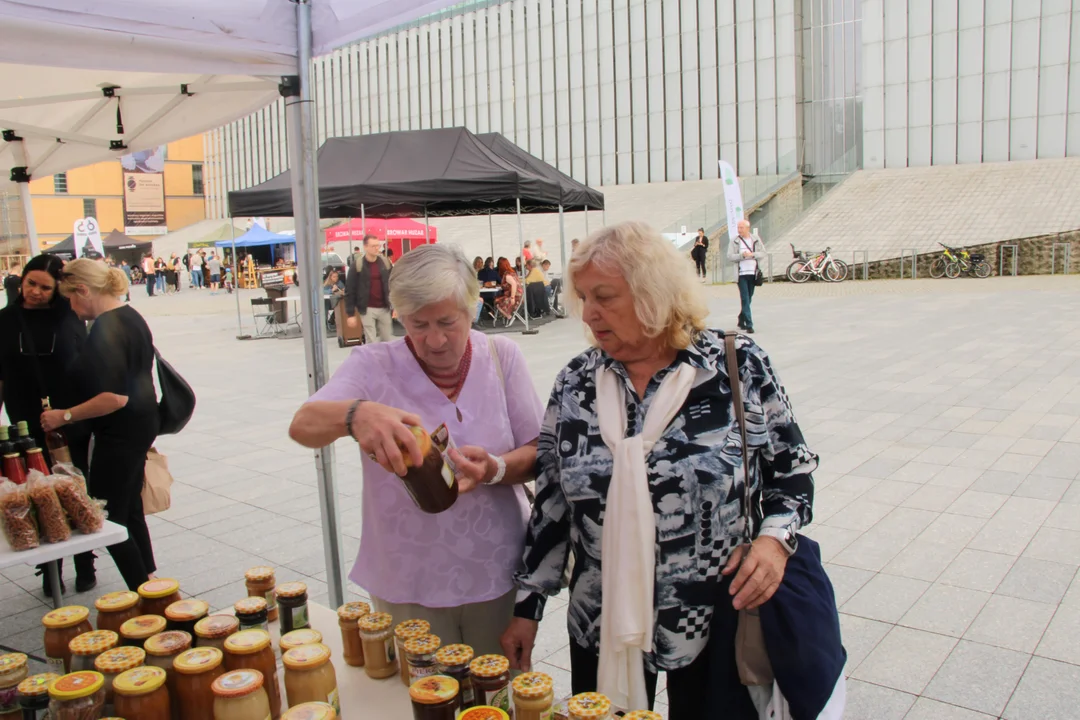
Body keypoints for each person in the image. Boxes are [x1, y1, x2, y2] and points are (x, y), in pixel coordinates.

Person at [500, 221, 818, 718]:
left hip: (714, 615)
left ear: (654, 294)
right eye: (582, 297)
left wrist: (774, 543)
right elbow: (553, 503)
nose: (588, 313)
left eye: (604, 297)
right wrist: (527, 609)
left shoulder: (736, 365)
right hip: (601, 617)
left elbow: (792, 471)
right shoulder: (577, 382)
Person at [289, 243, 543, 653]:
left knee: (495, 699)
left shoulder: (502, 356)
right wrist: (356, 415)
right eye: (417, 324)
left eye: (447, 321)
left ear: (472, 307)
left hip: (496, 571)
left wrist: (495, 468)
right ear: (398, 315)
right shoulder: (372, 365)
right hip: (406, 576)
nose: (435, 339)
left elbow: (538, 452)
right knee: (420, 699)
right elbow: (303, 426)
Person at [43, 259, 161, 591]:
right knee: (129, 508)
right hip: (140, 423)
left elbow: (114, 398)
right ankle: (150, 581)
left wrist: (64, 415)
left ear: (83, 290)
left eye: (71, 298)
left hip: (122, 431)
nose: (71, 307)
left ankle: (146, 591)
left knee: (107, 518)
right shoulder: (130, 315)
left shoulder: (108, 327)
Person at [0, 255, 95, 597]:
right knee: (35, 493)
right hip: (25, 423)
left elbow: (85, 368)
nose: (36, 292)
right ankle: (49, 566)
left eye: (44, 287)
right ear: (20, 281)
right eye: (30, 284)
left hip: (67, 420)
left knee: (74, 490)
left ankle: (86, 562)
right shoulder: (6, 320)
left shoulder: (69, 316)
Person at [344, 234, 394, 343]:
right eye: (373, 246)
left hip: (384, 306)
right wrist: (350, 314)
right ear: (365, 247)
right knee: (370, 339)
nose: (377, 248)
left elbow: (393, 283)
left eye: (378, 245)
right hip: (367, 308)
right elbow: (350, 290)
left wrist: (396, 305)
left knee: (387, 339)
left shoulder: (385, 262)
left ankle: (384, 359)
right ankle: (371, 359)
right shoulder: (357, 265)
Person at [727, 220, 765, 334]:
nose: (739, 230)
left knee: (749, 298)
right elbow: (730, 256)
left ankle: (741, 318)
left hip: (753, 273)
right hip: (741, 274)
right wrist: (741, 255)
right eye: (738, 227)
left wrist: (752, 254)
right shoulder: (735, 241)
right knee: (745, 298)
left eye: (741, 227)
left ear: (748, 228)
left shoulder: (755, 239)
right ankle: (749, 324)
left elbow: (763, 253)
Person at [495, 257, 522, 321]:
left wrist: (512, 297)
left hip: (514, 297)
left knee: (497, 301)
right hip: (518, 296)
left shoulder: (507, 275)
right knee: (499, 298)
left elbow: (514, 284)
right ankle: (506, 315)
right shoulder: (512, 273)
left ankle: (508, 316)